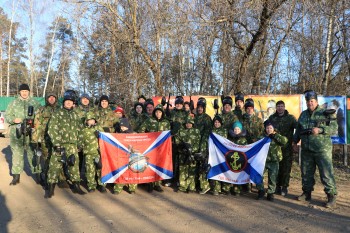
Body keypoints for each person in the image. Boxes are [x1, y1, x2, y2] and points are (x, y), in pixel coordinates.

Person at [293, 90, 338, 208]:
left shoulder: (325, 113)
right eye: (308, 101)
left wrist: (321, 130)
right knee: (306, 173)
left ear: (316, 101)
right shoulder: (303, 114)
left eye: (312, 101)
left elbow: (334, 128)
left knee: (326, 173)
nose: (310, 103)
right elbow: (298, 130)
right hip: (306, 149)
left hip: (322, 150)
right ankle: (306, 193)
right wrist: (295, 142)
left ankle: (331, 196)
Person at [46, 90, 85, 198]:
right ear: (63, 102)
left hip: (72, 145)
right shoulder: (57, 113)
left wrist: (79, 143)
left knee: (74, 166)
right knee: (55, 166)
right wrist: (57, 144)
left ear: (73, 103)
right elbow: (52, 129)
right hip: (60, 144)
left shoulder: (75, 115)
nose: (68, 103)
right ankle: (50, 188)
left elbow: (80, 130)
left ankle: (76, 186)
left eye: (70, 101)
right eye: (67, 101)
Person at [6, 84, 41, 185]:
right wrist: (13, 119)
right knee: (17, 154)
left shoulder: (35, 103)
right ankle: (16, 177)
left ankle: (38, 175)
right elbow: (8, 115)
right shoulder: (13, 103)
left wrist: (35, 123)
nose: (24, 93)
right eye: (22, 91)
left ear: (29, 92)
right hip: (17, 133)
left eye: (26, 91)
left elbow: (40, 116)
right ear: (19, 92)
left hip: (31, 132)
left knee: (33, 153)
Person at [139, 104, 171, 192]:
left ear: (162, 113)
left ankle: (157, 184)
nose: (158, 113)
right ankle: (150, 182)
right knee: (150, 164)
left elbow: (168, 135)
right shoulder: (149, 120)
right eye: (156, 112)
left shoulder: (166, 122)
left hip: (161, 147)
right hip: (151, 147)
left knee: (159, 164)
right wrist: (146, 139)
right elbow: (141, 130)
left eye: (160, 112)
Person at [268, 100, 297, 196]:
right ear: (276, 108)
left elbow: (298, 128)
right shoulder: (272, 118)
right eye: (278, 106)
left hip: (286, 147)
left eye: (282, 106)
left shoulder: (290, 118)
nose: (280, 108)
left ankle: (284, 187)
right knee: (276, 167)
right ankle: (277, 186)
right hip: (275, 148)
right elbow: (267, 129)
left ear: (284, 107)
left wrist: (295, 141)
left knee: (286, 168)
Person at [32, 92, 60, 187]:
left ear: (56, 99)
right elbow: (37, 124)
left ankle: (58, 177)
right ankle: (46, 177)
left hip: (58, 139)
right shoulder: (41, 109)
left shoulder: (60, 110)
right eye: (50, 97)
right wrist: (35, 138)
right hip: (45, 138)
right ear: (47, 99)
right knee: (47, 158)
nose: (51, 99)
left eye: (53, 97)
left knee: (58, 157)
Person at [256, 120, 287, 201]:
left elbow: (284, 141)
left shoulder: (277, 136)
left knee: (272, 178)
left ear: (273, 129)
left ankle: (270, 193)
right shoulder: (261, 137)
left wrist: (275, 136)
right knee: (258, 176)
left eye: (270, 128)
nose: (269, 129)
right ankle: (261, 191)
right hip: (263, 161)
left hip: (274, 160)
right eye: (267, 128)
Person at [79, 112, 106, 193]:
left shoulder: (99, 128)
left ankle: (102, 185)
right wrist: (80, 147)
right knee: (89, 170)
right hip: (88, 153)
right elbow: (80, 141)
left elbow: (106, 139)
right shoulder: (83, 130)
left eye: (92, 120)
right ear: (86, 121)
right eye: (89, 120)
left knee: (100, 169)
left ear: (95, 121)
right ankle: (91, 186)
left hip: (98, 153)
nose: (91, 122)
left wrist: (100, 135)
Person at [241, 98, 264, 192]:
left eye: (251, 108)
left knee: (256, 167)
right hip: (245, 148)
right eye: (247, 108)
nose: (249, 110)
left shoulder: (258, 121)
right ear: (245, 109)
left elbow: (263, 133)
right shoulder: (242, 120)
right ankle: (246, 186)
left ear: (253, 109)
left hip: (256, 148)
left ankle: (259, 189)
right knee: (245, 166)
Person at [113, 106, 136, 194]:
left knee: (132, 170)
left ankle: (132, 188)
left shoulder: (132, 134)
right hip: (120, 154)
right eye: (121, 127)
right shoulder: (118, 132)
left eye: (124, 127)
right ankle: (118, 188)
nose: (123, 128)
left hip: (130, 154)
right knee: (120, 170)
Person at [175, 116, 200, 193]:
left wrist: (192, 150)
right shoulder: (181, 131)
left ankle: (191, 187)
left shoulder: (196, 131)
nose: (188, 125)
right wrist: (184, 150)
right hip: (183, 154)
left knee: (191, 170)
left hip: (192, 154)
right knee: (183, 170)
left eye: (190, 123)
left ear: (192, 124)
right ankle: (182, 186)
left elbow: (198, 142)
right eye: (187, 123)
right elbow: (177, 141)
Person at [193, 97, 212, 195]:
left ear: (204, 108)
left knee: (203, 166)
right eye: (198, 107)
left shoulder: (207, 118)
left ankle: (205, 186)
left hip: (203, 145)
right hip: (195, 145)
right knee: (195, 165)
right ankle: (196, 184)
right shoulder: (194, 117)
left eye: (201, 107)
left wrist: (202, 146)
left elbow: (207, 133)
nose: (200, 109)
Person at [228, 121, 247, 196]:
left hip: (240, 160)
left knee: (238, 174)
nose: (236, 131)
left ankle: (237, 190)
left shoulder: (243, 140)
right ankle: (228, 188)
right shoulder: (230, 139)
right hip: (230, 159)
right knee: (230, 173)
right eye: (235, 129)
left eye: (238, 129)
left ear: (241, 130)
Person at [211, 115, 228, 195]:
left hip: (222, 153)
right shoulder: (211, 131)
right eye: (215, 122)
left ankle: (225, 188)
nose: (217, 124)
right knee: (215, 170)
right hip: (213, 154)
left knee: (223, 169)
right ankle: (216, 189)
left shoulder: (224, 131)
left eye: (218, 122)